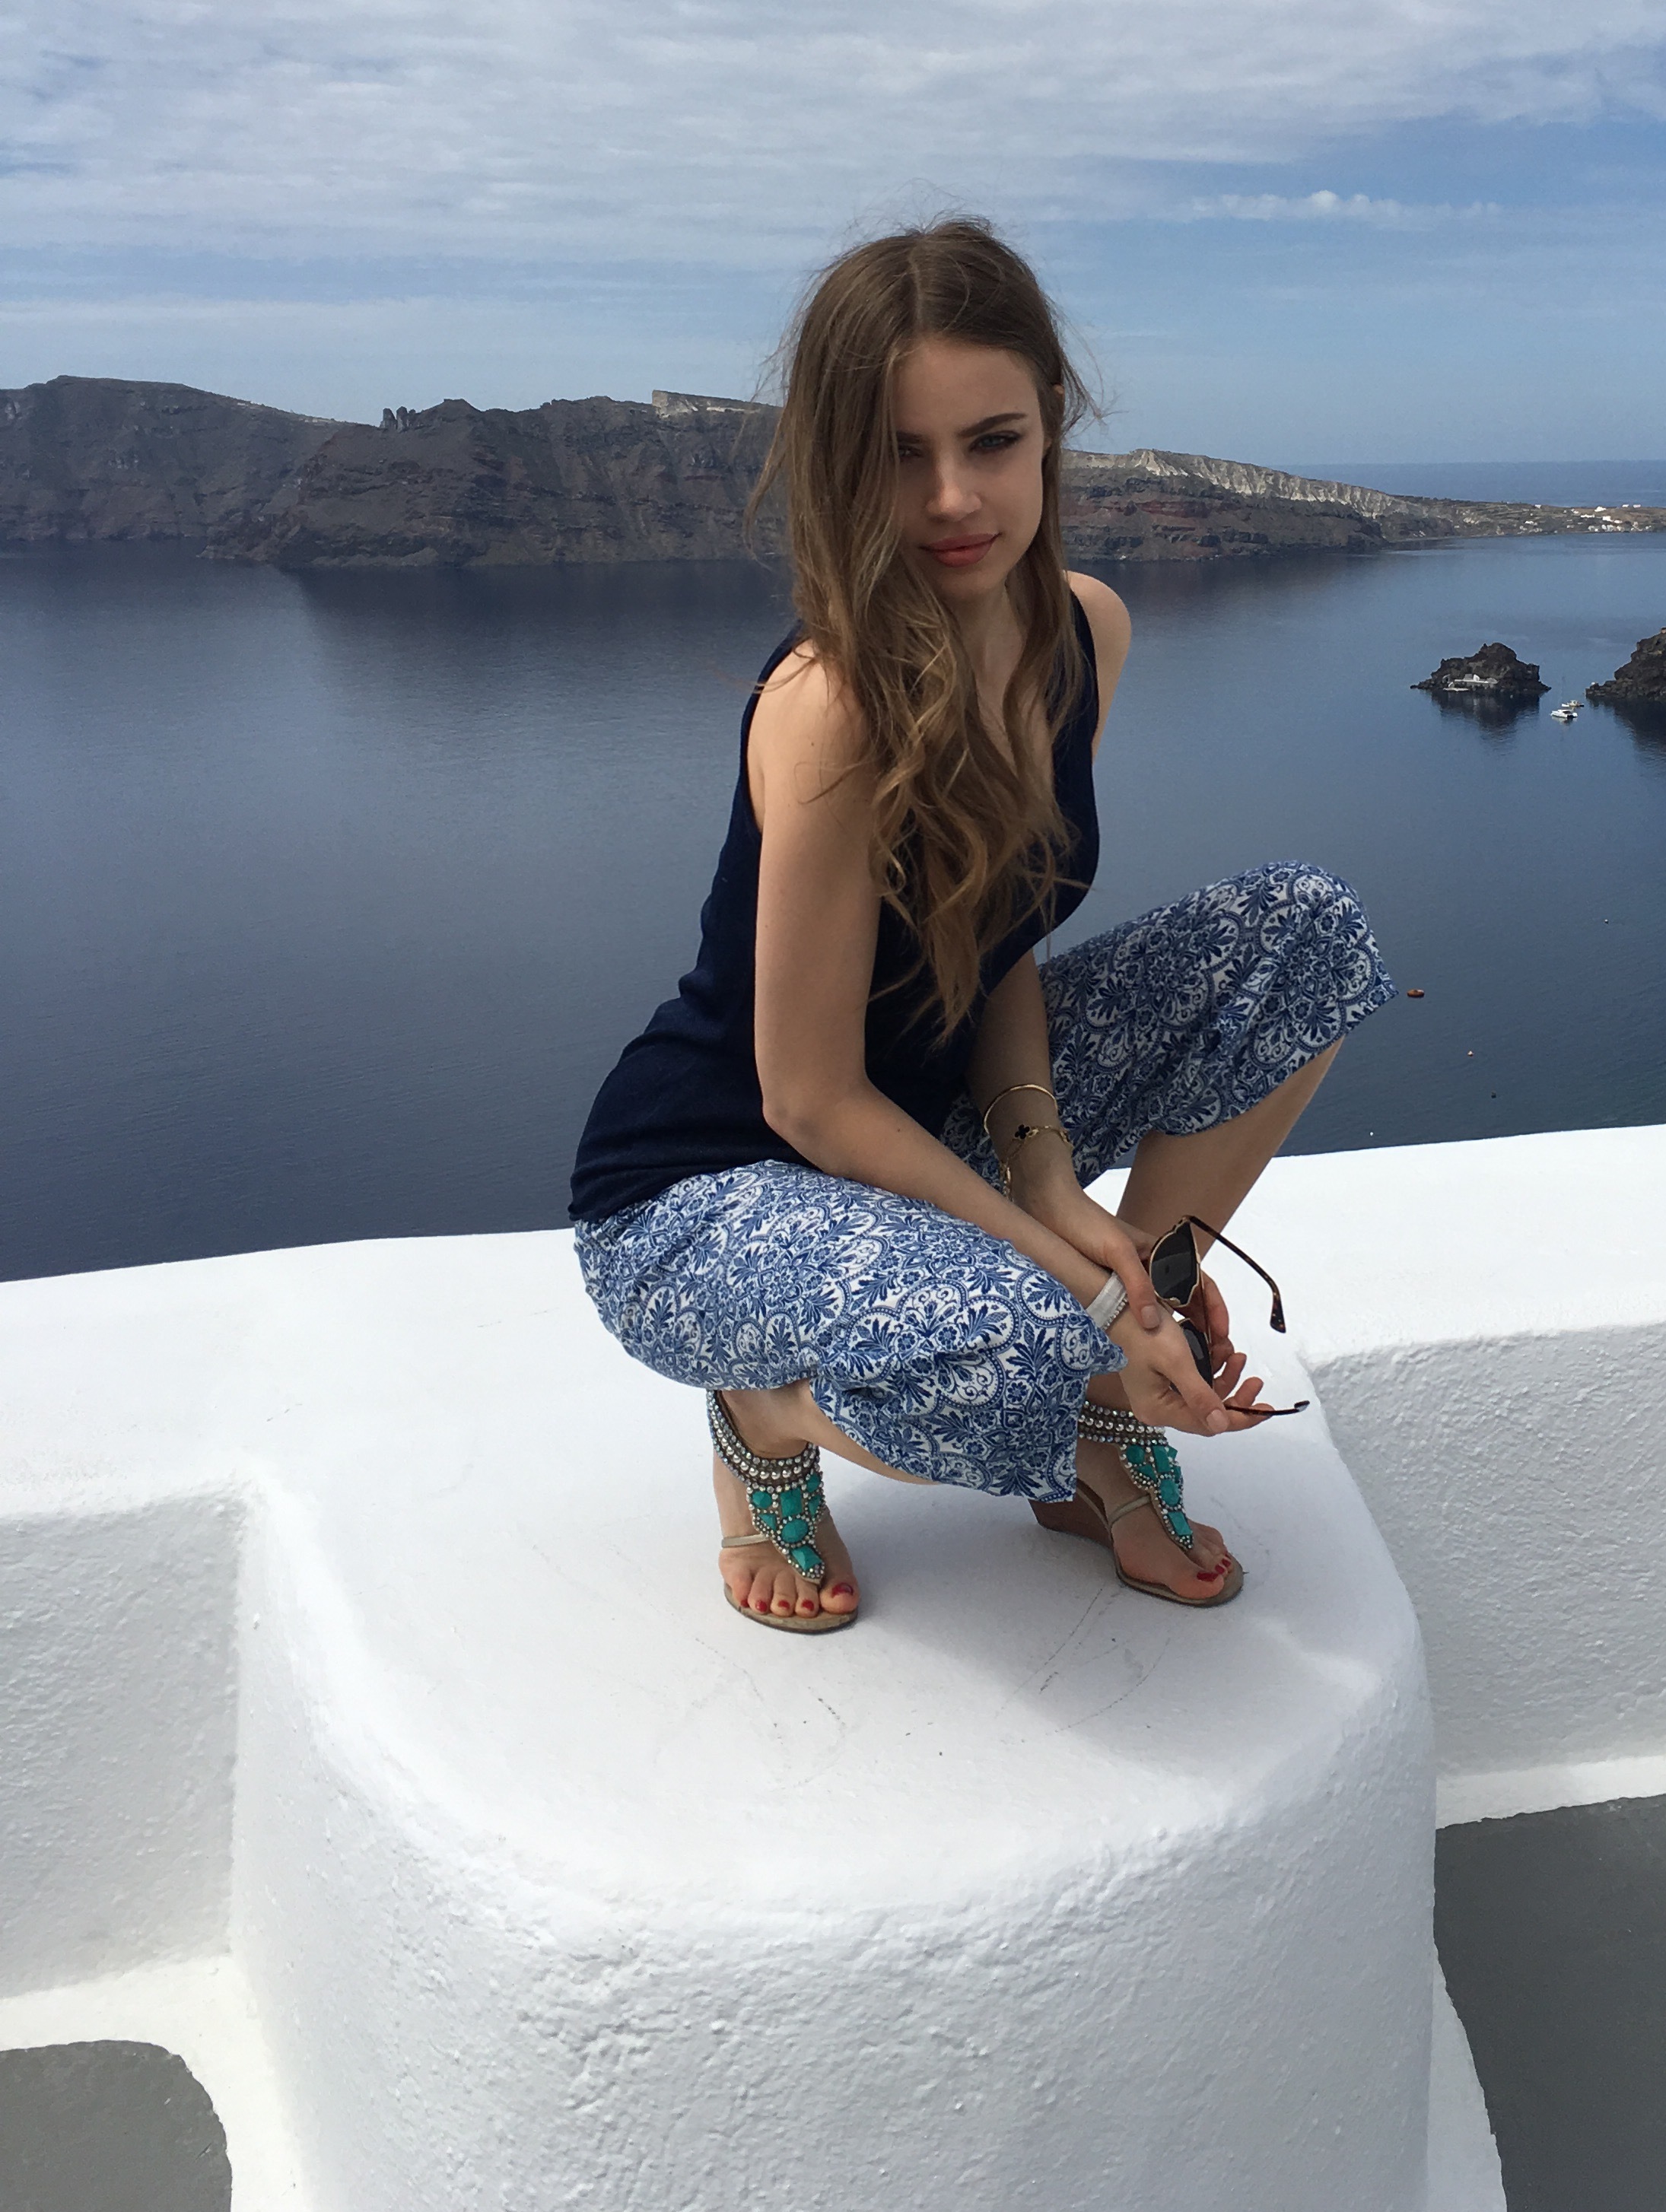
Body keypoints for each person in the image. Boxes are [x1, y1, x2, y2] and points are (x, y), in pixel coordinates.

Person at [569, 218, 1394, 1631]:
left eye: (993, 441)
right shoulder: (830, 705)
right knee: (1024, 1339)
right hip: (710, 1192)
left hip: (925, 1134)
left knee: (1305, 934)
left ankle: (1105, 1409)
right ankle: (765, 1415)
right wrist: (1083, 1294)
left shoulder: (1082, 633)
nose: (953, 498)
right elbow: (808, 1097)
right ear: (841, 464)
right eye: (899, 454)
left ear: (1050, 425)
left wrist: (1055, 1185)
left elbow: (992, 941)